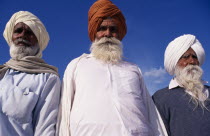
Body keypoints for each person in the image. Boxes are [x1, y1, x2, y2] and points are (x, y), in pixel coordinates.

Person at [57, 0, 167, 136]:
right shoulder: (77, 65)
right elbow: (65, 112)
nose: (107, 34)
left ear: (119, 34)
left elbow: (151, 113)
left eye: (113, 29)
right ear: (94, 33)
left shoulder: (133, 69)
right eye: (102, 28)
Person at [0, 11, 61, 136]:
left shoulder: (47, 78)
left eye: (29, 32)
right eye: (18, 31)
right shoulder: (2, 73)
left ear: (38, 40)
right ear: (11, 36)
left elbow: (45, 129)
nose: (23, 35)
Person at [153, 34, 210, 136]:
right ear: (175, 62)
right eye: (185, 57)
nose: (192, 61)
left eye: (194, 57)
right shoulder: (160, 98)